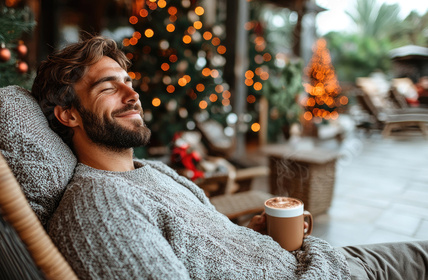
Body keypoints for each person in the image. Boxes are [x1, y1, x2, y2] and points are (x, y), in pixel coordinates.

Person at [31, 35, 428, 279]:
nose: (132, 95)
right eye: (107, 87)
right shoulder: (100, 206)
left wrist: (248, 237)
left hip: (316, 261)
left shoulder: (149, 171)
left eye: (128, 83)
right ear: (69, 114)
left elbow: (202, 252)